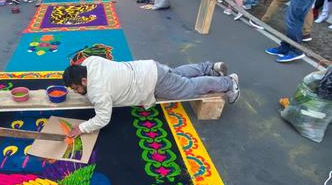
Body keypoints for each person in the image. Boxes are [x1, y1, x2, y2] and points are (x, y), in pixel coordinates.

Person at [62, 58, 239, 136]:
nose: (75, 92)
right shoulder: (90, 62)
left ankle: (228, 83)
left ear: (84, 80)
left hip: (152, 82)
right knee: (176, 74)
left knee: (188, 87)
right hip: (148, 67)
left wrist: (82, 128)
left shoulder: (99, 91)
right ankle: (210, 68)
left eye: (76, 88)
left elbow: (102, 118)